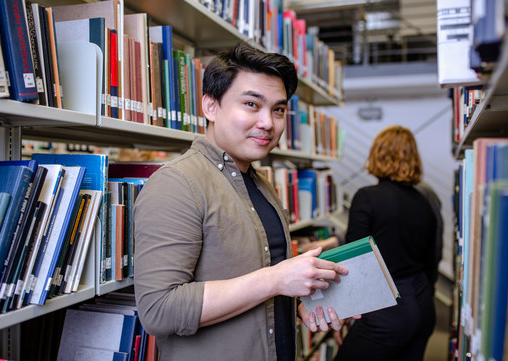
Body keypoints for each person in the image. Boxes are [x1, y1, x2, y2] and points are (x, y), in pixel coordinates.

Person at [133, 42, 349, 361]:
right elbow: (159, 310)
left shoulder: (262, 186)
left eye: (278, 109)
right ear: (210, 106)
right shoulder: (176, 184)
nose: (268, 123)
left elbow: (259, 287)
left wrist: (302, 305)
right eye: (251, 104)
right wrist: (275, 279)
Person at [332, 125, 441, 361]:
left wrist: (343, 312)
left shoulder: (366, 197)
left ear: (377, 154)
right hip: (423, 305)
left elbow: (354, 263)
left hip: (385, 311)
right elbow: (432, 259)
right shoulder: (425, 201)